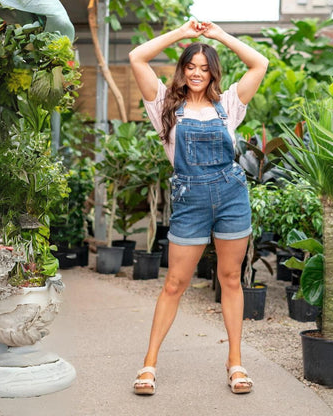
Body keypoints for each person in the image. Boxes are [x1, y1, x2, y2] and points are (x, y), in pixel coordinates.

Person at [129, 18, 268, 395]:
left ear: (213, 74)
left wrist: (218, 36)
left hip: (231, 197)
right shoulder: (163, 104)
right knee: (174, 283)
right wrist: (184, 35)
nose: (197, 73)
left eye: (205, 68)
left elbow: (260, 64)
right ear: (182, 69)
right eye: (191, 66)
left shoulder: (229, 105)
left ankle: (235, 363)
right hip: (190, 202)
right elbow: (137, 57)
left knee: (229, 280)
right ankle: (149, 364)